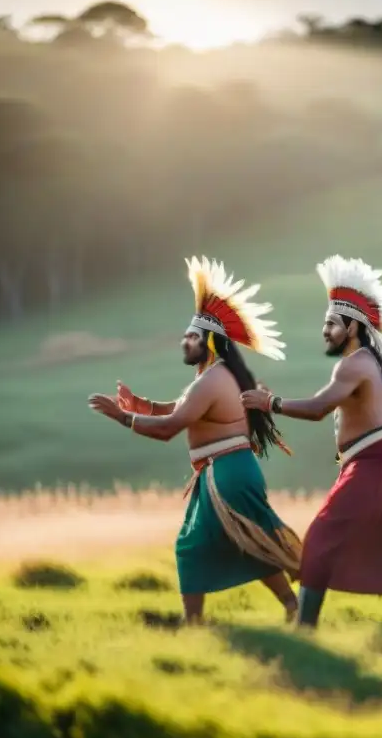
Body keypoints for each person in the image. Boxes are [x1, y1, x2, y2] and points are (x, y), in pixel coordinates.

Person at [240, 255, 382, 628]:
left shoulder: (355, 364)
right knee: (365, 551)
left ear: (353, 326)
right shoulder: (362, 362)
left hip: (378, 464)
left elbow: (319, 408)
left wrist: (271, 403)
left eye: (331, 323)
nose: (324, 330)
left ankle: (305, 627)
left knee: (322, 538)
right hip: (375, 463)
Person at [87, 256, 303, 624]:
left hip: (227, 474)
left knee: (194, 547)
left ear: (211, 342)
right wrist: (139, 404)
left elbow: (171, 427)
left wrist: (123, 417)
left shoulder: (212, 380)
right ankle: (293, 607)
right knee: (250, 544)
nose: (184, 342)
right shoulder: (211, 378)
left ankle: (195, 625)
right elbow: (178, 409)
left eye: (192, 336)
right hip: (225, 473)